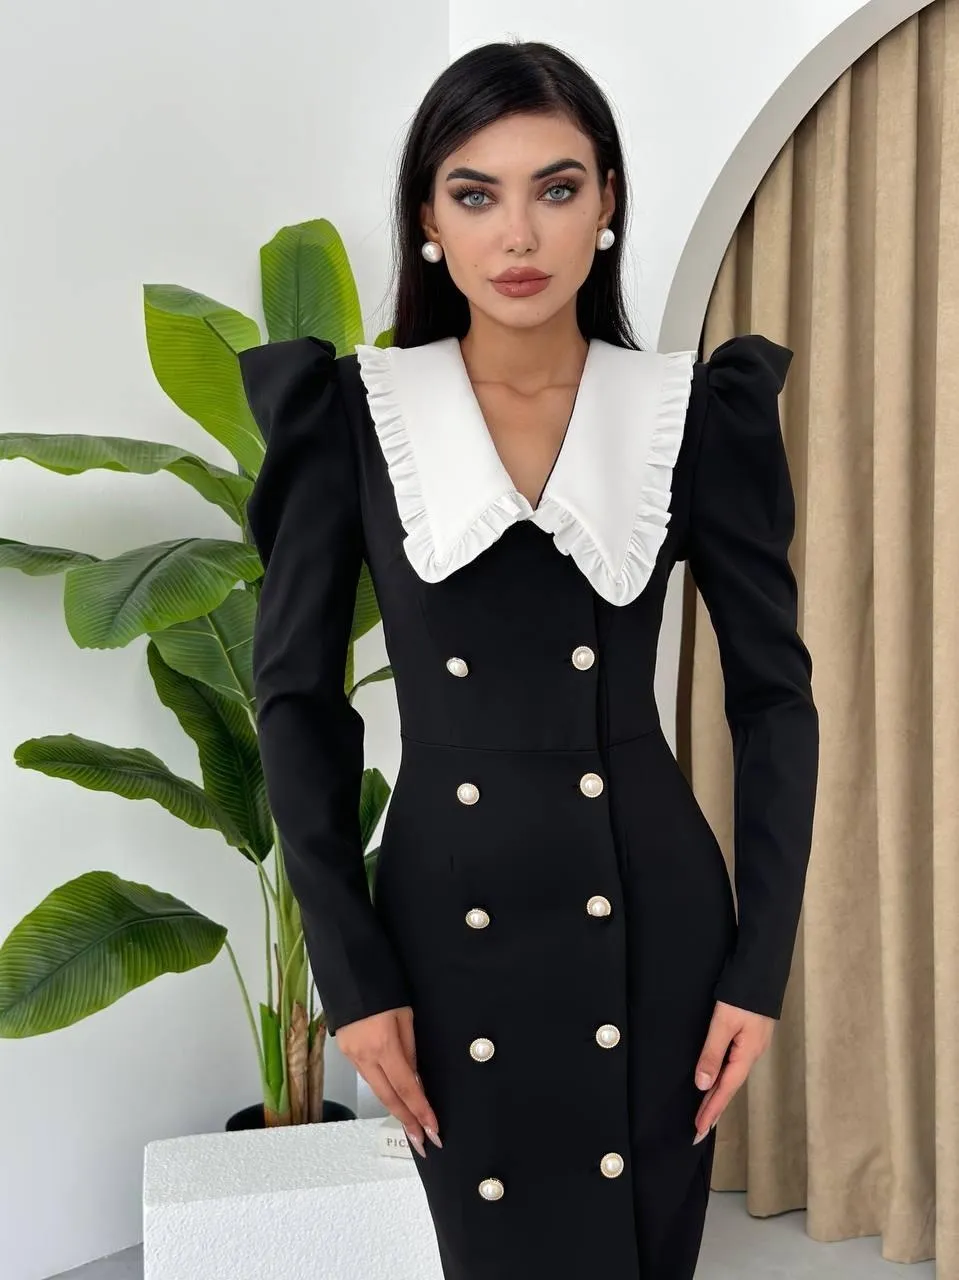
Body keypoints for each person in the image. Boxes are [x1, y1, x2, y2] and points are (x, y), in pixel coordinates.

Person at [237, 37, 819, 1280]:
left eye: (555, 188)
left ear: (606, 204)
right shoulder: (353, 416)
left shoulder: (686, 413)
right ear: (427, 219)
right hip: (444, 932)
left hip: (654, 925)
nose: (518, 234)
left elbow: (774, 699)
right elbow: (295, 700)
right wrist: (351, 972)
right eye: (474, 192)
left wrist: (757, 965)